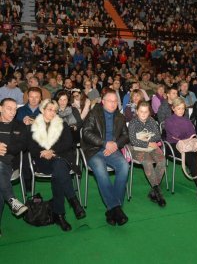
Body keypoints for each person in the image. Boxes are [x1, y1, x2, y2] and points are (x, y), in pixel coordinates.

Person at [28, 99, 86, 232]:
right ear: (42, 110)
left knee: (59, 170)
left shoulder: (62, 124)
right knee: (60, 170)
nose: (53, 113)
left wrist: (51, 150)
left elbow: (68, 142)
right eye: (50, 109)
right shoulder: (34, 125)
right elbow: (31, 147)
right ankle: (73, 201)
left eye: (55, 110)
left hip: (60, 157)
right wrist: (44, 152)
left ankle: (59, 215)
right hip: (43, 161)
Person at [81, 89, 129, 226]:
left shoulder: (120, 116)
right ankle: (116, 208)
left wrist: (115, 144)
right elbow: (86, 133)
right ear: (103, 102)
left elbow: (126, 136)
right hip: (94, 150)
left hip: (112, 149)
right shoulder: (94, 113)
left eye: (115, 101)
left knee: (124, 166)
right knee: (101, 171)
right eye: (110, 101)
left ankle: (112, 209)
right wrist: (104, 143)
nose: (113, 104)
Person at [165, 98, 197, 201]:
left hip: (188, 144)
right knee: (192, 159)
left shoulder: (186, 119)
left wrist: (187, 136)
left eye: (183, 109)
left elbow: (192, 133)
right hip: (174, 146)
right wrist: (187, 135)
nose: (181, 111)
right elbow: (177, 135)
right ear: (173, 109)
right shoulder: (169, 121)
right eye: (178, 108)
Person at [128, 101, 167, 207]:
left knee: (162, 160)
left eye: (146, 112)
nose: (144, 114)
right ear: (137, 111)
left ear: (149, 112)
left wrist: (147, 139)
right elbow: (133, 140)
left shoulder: (151, 120)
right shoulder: (133, 123)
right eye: (141, 111)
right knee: (147, 162)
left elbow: (158, 136)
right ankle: (158, 193)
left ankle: (153, 191)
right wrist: (148, 142)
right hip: (138, 149)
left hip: (152, 146)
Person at [0, 98, 28, 236]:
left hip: (9, 162)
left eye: (15, 109)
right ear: (0, 108)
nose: (13, 112)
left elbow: (22, 145)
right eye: (9, 108)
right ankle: (11, 199)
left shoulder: (19, 125)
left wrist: (5, 149)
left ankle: (11, 200)